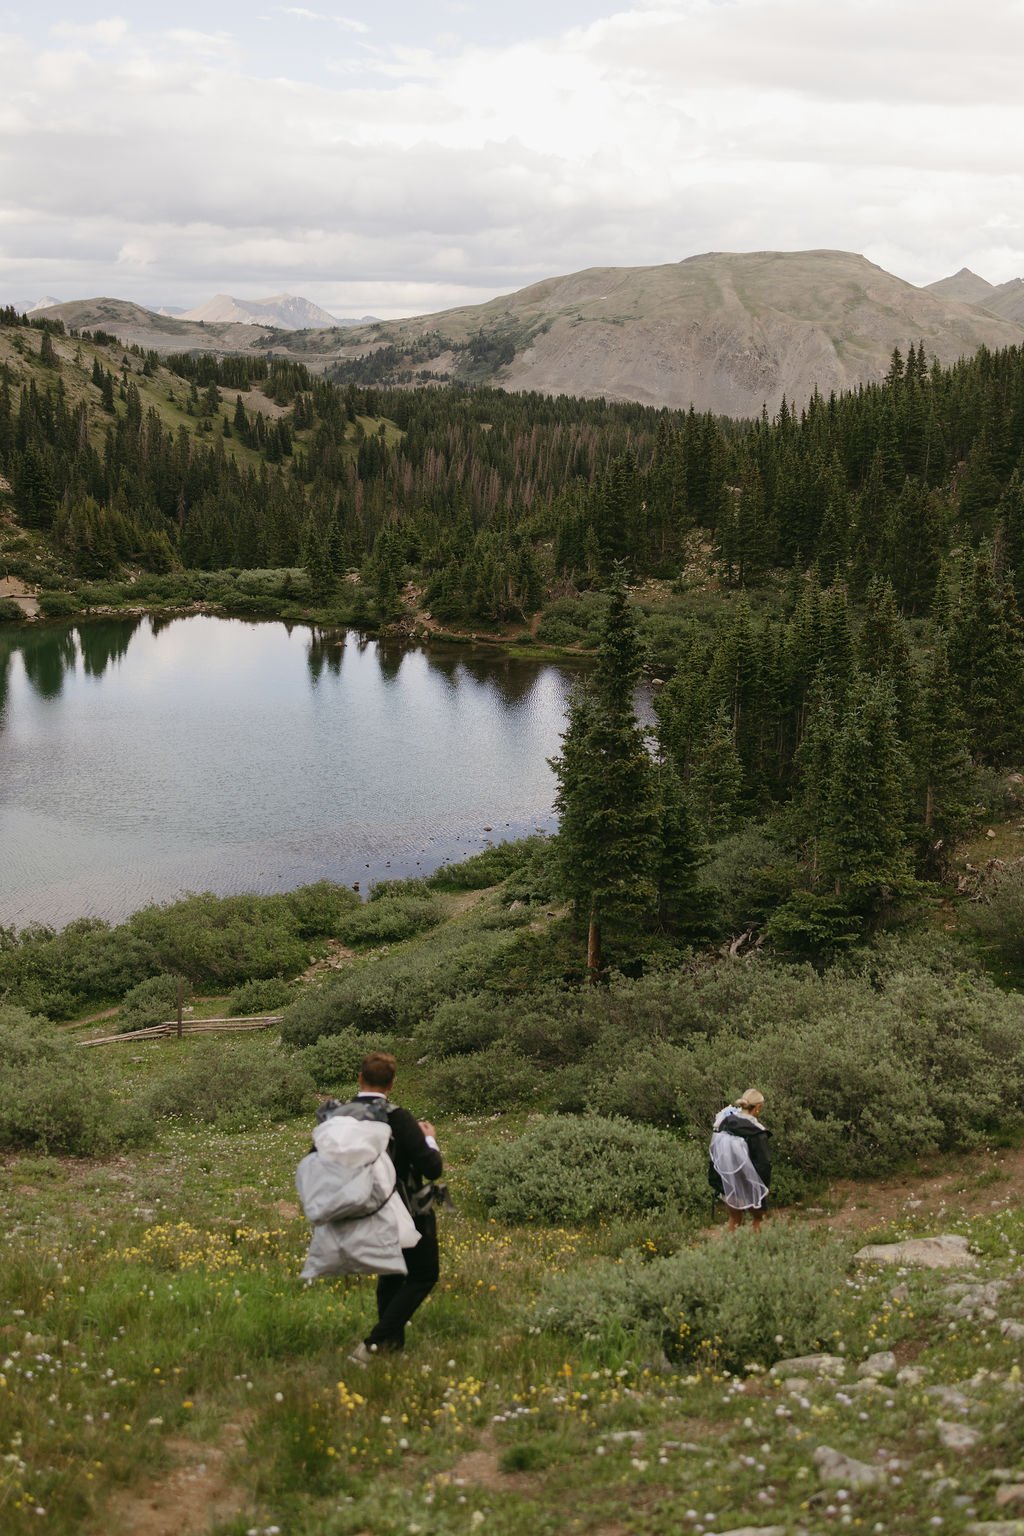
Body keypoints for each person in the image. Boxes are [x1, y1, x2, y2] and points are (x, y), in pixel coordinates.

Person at [347, 1052, 443, 1365]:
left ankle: (392, 1349)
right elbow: (433, 1168)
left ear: (359, 1078)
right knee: (424, 1274)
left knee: (391, 1275)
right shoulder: (398, 1117)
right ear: (391, 1084)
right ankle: (373, 1345)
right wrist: (429, 1139)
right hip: (407, 1210)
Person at [707, 1088, 772, 1232]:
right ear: (758, 1107)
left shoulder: (725, 1122)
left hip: (729, 1183)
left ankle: (731, 1251)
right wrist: (763, 1187)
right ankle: (758, 1251)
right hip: (751, 1183)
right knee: (758, 1220)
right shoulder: (757, 1131)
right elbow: (764, 1164)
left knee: (734, 1219)